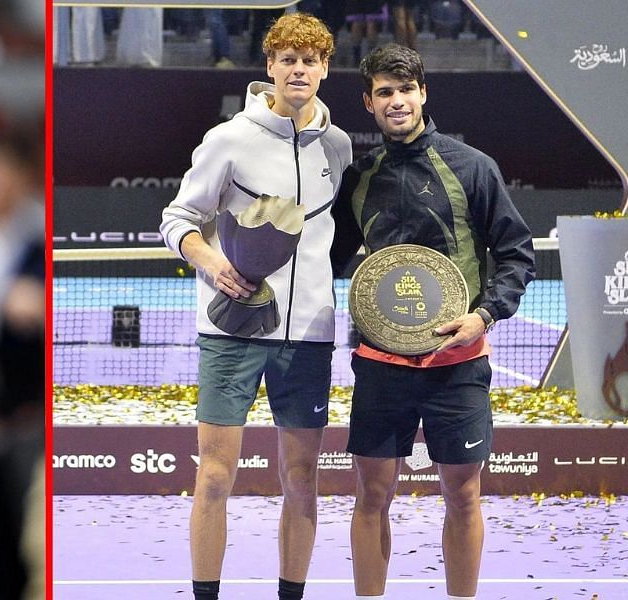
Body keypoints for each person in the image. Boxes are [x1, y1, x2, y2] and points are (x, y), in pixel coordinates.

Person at [329, 44, 534, 600]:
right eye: (385, 93)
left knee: (462, 495)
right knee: (372, 495)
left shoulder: (472, 166)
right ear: (368, 102)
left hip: (458, 364)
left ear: (423, 93)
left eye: (406, 90)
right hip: (379, 362)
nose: (397, 102)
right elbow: (327, 257)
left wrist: (484, 315)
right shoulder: (358, 177)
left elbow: (516, 254)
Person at [159, 13, 351, 600]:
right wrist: (211, 263)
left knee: (302, 479)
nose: (299, 69)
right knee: (215, 477)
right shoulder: (229, 139)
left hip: (310, 336)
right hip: (232, 334)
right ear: (269, 67)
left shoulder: (338, 146)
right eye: (288, 59)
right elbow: (176, 220)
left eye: (310, 60)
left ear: (324, 69)